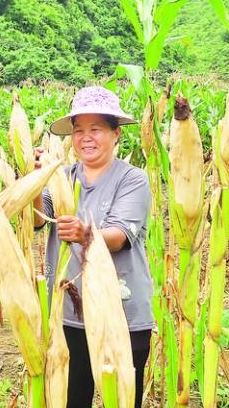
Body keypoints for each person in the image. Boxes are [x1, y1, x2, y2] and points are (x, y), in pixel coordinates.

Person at [33, 86, 154, 408]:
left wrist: (86, 232)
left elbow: (118, 234)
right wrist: (35, 178)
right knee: (74, 399)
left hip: (123, 313)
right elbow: (37, 218)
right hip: (71, 313)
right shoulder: (63, 176)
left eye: (96, 129)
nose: (86, 138)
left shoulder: (133, 179)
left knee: (125, 399)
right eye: (79, 131)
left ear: (115, 134)